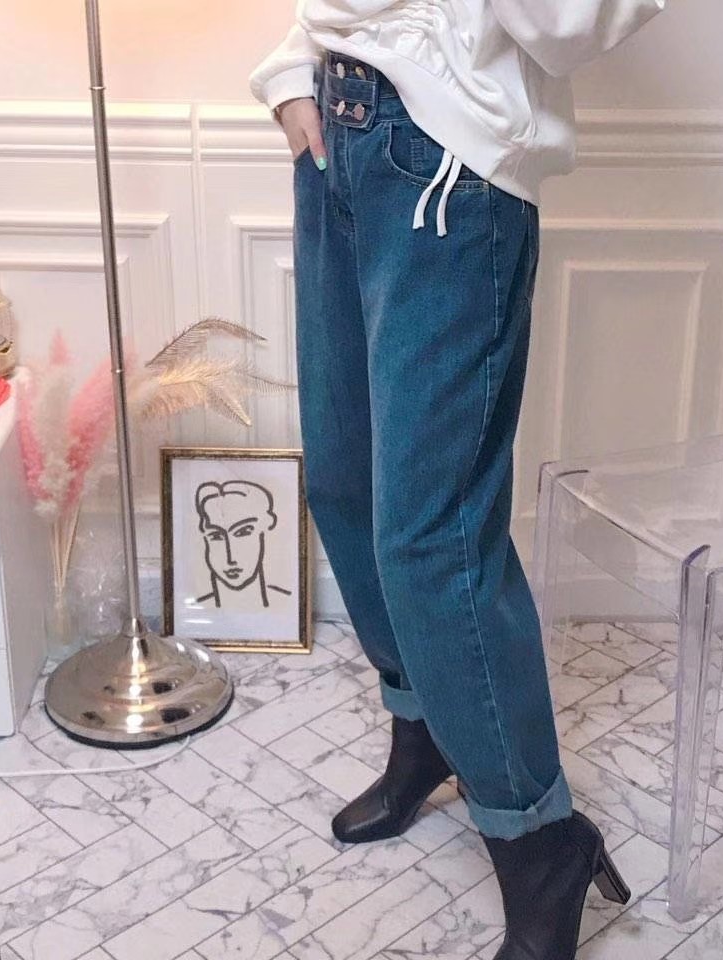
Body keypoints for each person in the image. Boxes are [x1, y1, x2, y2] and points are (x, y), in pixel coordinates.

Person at [249, 3, 666, 957]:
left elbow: (572, 27)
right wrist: (289, 77)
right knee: (346, 486)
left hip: (446, 167)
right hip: (337, 137)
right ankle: (423, 729)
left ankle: (540, 841)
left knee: (434, 535)